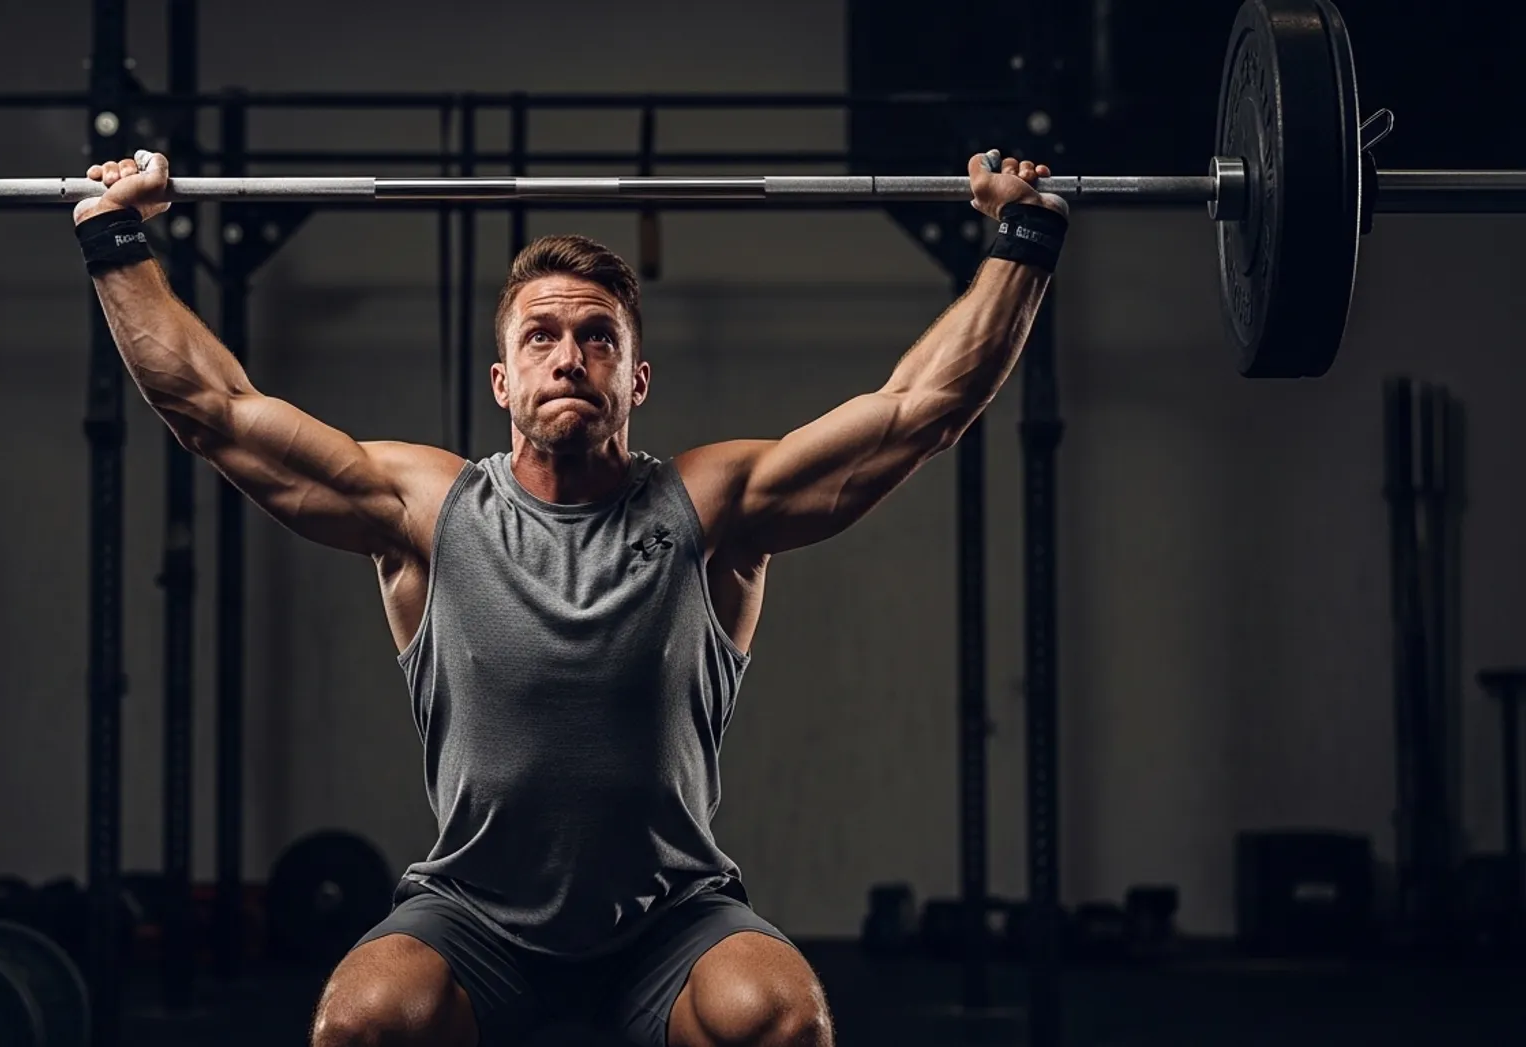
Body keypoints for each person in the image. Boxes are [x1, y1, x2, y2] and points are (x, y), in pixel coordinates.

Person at [70, 149, 1068, 1047]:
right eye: (542, 336)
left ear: (636, 379)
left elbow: (917, 415)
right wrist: (116, 239)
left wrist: (1022, 239)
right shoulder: (425, 508)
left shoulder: (712, 506)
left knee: (780, 1019)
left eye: (597, 338)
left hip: (673, 920)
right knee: (361, 1023)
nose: (569, 354)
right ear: (502, 381)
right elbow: (218, 414)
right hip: (474, 915)